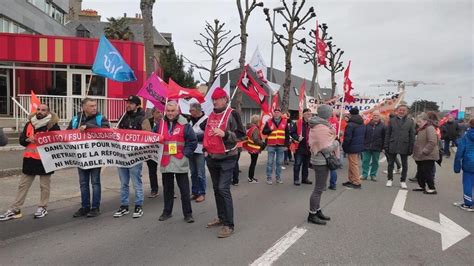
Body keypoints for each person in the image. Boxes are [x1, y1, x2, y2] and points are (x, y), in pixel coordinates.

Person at [0, 104, 60, 221]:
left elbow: (57, 141)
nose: (40, 111)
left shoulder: (52, 125)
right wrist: (28, 139)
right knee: (23, 186)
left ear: (48, 113)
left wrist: (43, 139)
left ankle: (42, 207)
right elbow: (22, 141)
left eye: (43, 110)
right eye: (38, 109)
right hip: (30, 159)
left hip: (46, 160)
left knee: (44, 186)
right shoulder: (29, 124)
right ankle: (15, 209)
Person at [203, 87, 245, 238]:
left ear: (226, 99)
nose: (215, 101)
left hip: (228, 157)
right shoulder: (210, 115)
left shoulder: (232, 113)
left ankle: (229, 224)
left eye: (218, 98)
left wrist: (226, 134)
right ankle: (221, 217)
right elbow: (204, 132)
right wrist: (204, 149)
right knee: (216, 189)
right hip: (212, 157)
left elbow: (241, 135)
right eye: (213, 99)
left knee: (223, 188)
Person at [69, 98, 110, 218]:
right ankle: (85, 206)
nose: (94, 108)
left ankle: (95, 207)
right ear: (84, 107)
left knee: (95, 182)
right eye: (91, 106)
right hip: (81, 157)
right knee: (83, 183)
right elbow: (67, 134)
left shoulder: (100, 118)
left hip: (95, 156)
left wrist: (88, 126)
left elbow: (106, 131)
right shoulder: (76, 119)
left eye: (95, 105)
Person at [157, 101, 197, 223]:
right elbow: (152, 137)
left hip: (180, 161)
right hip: (166, 161)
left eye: (172, 111)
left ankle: (188, 214)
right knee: (167, 190)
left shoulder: (185, 124)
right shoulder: (160, 124)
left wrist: (186, 154)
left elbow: (192, 141)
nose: (170, 113)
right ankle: (167, 212)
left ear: (177, 111)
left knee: (184, 190)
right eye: (168, 111)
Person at [113, 96, 150, 218]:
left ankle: (138, 205)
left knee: (136, 182)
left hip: (135, 156)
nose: (128, 105)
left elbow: (148, 136)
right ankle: (124, 205)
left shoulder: (143, 119)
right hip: (122, 155)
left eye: (131, 103)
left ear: (137, 105)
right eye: (127, 103)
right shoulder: (122, 117)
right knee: (123, 183)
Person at [307, 104, 339, 225]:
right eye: (330, 112)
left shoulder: (320, 125)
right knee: (319, 189)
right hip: (321, 161)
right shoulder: (321, 127)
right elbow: (326, 149)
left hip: (320, 160)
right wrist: (336, 143)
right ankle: (312, 214)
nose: (331, 114)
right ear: (326, 114)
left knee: (320, 188)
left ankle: (317, 210)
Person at [384, 105, 415, 189]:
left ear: (406, 112)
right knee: (390, 163)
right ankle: (390, 179)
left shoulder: (410, 122)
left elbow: (412, 135)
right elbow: (388, 134)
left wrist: (411, 147)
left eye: (403, 110)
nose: (401, 111)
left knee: (405, 164)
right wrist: (386, 145)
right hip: (393, 144)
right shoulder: (392, 120)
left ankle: (403, 181)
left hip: (405, 145)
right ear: (397, 111)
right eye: (400, 110)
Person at [412, 113, 439, 194]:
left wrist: (425, 151)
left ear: (425, 121)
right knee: (420, 171)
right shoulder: (422, 128)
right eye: (417, 122)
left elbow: (432, 141)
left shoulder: (430, 128)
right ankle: (421, 186)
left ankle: (432, 188)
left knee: (427, 172)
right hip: (421, 155)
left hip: (428, 155)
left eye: (419, 122)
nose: (418, 123)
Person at [262, 108, 290, 184]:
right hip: (271, 145)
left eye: (278, 112)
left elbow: (287, 135)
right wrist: (270, 130)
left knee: (279, 163)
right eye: (275, 112)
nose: (277, 113)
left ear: (280, 113)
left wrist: (286, 145)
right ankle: (269, 178)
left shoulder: (285, 122)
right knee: (270, 162)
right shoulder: (269, 122)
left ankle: (278, 177)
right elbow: (264, 132)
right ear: (273, 113)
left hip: (281, 145)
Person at [342, 107, 366, 189]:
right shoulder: (362, 123)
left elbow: (347, 138)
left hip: (351, 146)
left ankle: (356, 182)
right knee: (352, 164)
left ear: (350, 114)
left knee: (353, 164)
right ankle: (351, 179)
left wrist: (344, 146)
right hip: (358, 145)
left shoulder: (350, 124)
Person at [453, 119, 474, 211]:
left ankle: (468, 203)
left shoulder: (466, 136)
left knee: (467, 183)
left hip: (469, 162)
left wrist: (457, 166)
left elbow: (460, 152)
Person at [189, 102, 208, 202]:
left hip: (200, 150)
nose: (189, 112)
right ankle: (195, 191)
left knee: (200, 173)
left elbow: (207, 135)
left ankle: (201, 193)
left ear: (197, 110)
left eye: (191, 110)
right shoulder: (190, 120)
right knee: (193, 172)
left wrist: (194, 137)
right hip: (191, 149)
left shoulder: (206, 120)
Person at [291, 108, 313, 185]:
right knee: (297, 164)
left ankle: (305, 178)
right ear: (303, 114)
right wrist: (297, 138)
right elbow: (292, 133)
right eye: (307, 114)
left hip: (308, 147)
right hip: (299, 146)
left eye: (310, 114)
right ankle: (296, 179)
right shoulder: (298, 123)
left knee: (306, 165)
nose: (309, 115)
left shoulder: (312, 123)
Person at [361, 111, 385, 181]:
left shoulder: (383, 126)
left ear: (379, 117)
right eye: (374, 115)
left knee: (375, 162)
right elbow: (364, 135)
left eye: (377, 115)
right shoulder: (367, 125)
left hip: (377, 147)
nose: (375, 116)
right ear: (372, 116)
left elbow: (384, 137)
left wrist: (383, 147)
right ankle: (364, 174)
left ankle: (373, 175)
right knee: (365, 161)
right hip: (367, 146)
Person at [242, 114, 265, 183]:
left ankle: (251, 177)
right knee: (253, 163)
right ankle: (251, 178)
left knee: (252, 163)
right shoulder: (255, 129)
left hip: (250, 147)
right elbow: (256, 139)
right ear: (257, 121)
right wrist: (262, 144)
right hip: (254, 149)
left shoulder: (250, 128)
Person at [146, 108, 163, 198]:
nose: (160, 114)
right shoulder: (147, 122)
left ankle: (170, 190)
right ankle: (154, 190)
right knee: (152, 171)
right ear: (153, 114)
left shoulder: (165, 123)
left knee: (166, 171)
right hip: (151, 151)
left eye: (161, 112)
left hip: (162, 150)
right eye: (158, 112)